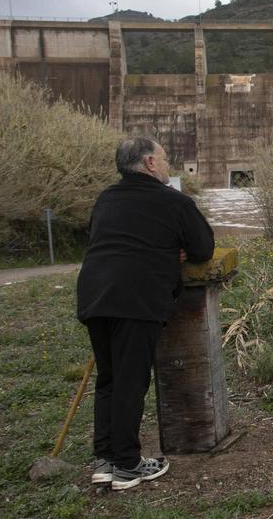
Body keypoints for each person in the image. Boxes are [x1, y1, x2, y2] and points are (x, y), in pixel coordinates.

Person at [76, 137, 214, 491]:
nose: (168, 165)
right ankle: (127, 465)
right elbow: (203, 247)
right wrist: (178, 249)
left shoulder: (105, 199)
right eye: (164, 158)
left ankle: (105, 460)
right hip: (136, 298)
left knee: (109, 379)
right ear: (150, 162)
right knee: (130, 381)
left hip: (94, 294)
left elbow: (104, 239)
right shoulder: (174, 202)